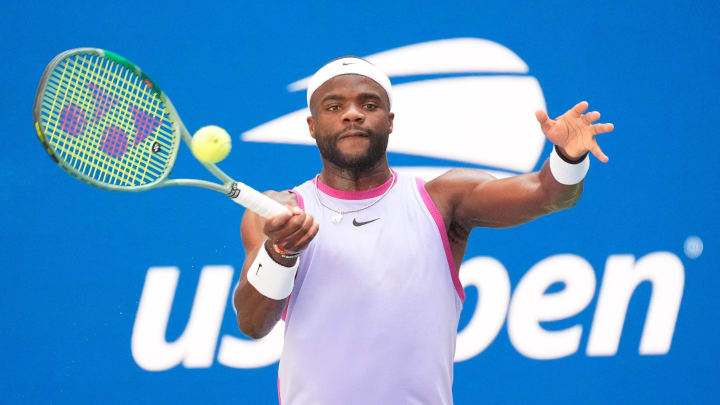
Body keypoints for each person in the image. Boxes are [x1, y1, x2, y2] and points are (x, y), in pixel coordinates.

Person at [233, 57, 614, 405]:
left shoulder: (444, 199)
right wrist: (280, 252)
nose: (352, 115)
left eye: (369, 105)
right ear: (313, 127)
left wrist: (568, 156)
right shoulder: (279, 212)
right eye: (335, 107)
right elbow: (252, 324)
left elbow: (549, 195)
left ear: (390, 121)